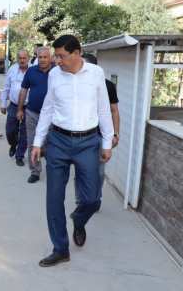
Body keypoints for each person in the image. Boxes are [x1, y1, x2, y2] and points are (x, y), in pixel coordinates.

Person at [30, 34, 113, 267]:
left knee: (92, 198)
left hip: (88, 142)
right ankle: (60, 249)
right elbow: (47, 109)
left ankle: (78, 219)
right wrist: (38, 142)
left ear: (76, 54)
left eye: (61, 56)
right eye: (55, 56)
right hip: (58, 141)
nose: (57, 60)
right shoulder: (55, 75)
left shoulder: (96, 74)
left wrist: (107, 142)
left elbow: (104, 109)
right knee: (54, 197)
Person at [75, 53, 120, 211]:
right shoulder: (75, 83)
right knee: (81, 170)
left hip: (100, 136)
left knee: (99, 173)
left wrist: (115, 134)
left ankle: (95, 197)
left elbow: (114, 110)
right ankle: (80, 201)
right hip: (82, 136)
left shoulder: (107, 85)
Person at [17, 46, 54, 183]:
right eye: (40, 57)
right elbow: (23, 90)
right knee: (32, 142)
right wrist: (20, 109)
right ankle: (35, 171)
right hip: (32, 113)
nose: (43, 59)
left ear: (51, 57)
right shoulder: (31, 71)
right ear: (36, 58)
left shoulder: (57, 71)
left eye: (45, 57)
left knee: (51, 144)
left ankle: (53, 171)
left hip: (52, 116)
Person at [0, 49, 30, 166]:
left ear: (28, 58)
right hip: (13, 106)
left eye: (24, 58)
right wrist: (3, 104)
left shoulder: (33, 70)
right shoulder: (12, 69)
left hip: (28, 107)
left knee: (25, 133)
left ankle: (19, 155)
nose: (22, 60)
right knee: (10, 131)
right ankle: (13, 144)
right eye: (20, 58)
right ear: (17, 58)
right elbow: (6, 87)